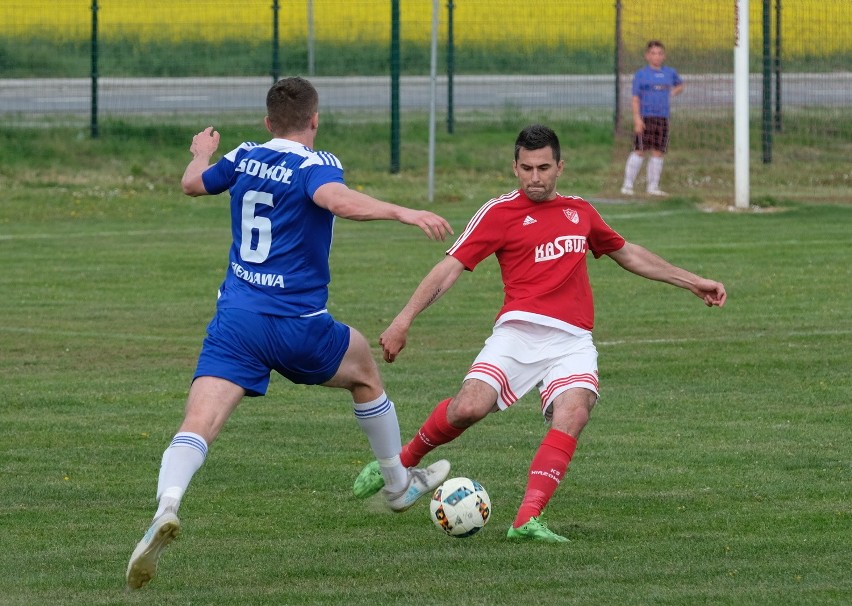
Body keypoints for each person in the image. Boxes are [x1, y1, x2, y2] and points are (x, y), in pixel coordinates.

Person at [126, 76, 453, 590]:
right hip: (297, 324)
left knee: (199, 422)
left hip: (237, 322)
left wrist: (200, 151)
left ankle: (167, 507)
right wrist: (403, 211)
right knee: (365, 369)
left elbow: (193, 183)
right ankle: (397, 485)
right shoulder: (315, 164)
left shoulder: (243, 154)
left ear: (267, 122)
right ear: (315, 120)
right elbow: (336, 199)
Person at [354, 124, 726, 542]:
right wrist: (404, 320)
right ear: (515, 167)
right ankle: (403, 466)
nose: (535, 177)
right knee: (469, 407)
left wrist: (693, 281)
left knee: (575, 412)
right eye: (527, 168)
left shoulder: (580, 211)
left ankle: (526, 520)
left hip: (572, 341)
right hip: (518, 333)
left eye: (544, 167)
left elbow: (628, 253)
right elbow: (449, 267)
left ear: (560, 167)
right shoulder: (498, 212)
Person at [621, 40, 684, 197]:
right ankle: (627, 185)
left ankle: (653, 187)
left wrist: (673, 92)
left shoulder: (670, 73)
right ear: (647, 56)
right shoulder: (641, 75)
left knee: (658, 152)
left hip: (662, 118)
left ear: (664, 56)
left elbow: (680, 85)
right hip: (646, 117)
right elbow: (635, 98)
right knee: (640, 150)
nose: (657, 56)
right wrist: (637, 118)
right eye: (653, 53)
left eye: (660, 53)